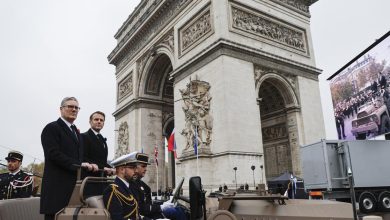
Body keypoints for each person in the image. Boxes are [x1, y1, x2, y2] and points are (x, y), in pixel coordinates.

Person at [40, 97, 97, 220]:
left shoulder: (76, 132)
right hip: (57, 189)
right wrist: (80, 165)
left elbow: (79, 157)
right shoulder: (51, 128)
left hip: (74, 189)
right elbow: (53, 154)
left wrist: (90, 165)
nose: (74, 109)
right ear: (61, 109)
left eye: (76, 107)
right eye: (70, 106)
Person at [129, 152, 186, 220]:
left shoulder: (143, 185)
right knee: (176, 212)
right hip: (147, 216)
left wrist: (163, 203)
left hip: (152, 212)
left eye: (146, 166)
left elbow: (148, 204)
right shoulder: (131, 185)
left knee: (179, 209)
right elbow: (141, 208)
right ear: (135, 168)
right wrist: (161, 207)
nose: (146, 169)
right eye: (143, 166)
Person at [81, 111, 114, 197]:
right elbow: (83, 158)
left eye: (101, 120)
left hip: (102, 180)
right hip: (90, 181)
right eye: (96, 119)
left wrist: (112, 169)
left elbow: (101, 161)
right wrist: (103, 167)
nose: (99, 121)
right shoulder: (83, 137)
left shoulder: (102, 139)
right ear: (90, 121)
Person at [103, 153, 140, 220]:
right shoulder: (112, 190)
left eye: (135, 168)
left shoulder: (130, 187)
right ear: (122, 170)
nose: (136, 171)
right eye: (132, 168)